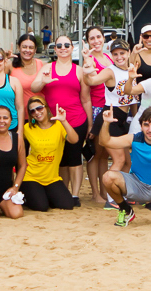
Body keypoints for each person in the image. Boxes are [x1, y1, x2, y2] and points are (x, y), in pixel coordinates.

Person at [31, 35, 92, 206]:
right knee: (61, 159)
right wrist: (43, 82)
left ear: (72, 48)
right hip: (53, 122)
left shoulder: (79, 70)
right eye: (59, 45)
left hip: (76, 120)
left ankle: (75, 194)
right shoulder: (47, 68)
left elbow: (86, 99)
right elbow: (34, 87)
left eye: (66, 45)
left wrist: (90, 124)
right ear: (55, 49)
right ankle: (63, 191)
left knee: (74, 158)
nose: (63, 48)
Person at [81, 39, 135, 206]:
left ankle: (121, 194)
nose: (119, 57)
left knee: (127, 162)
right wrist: (87, 65)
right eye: (115, 54)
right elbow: (92, 81)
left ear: (128, 53)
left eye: (122, 53)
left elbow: (132, 99)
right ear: (111, 56)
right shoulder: (110, 71)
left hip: (122, 120)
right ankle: (112, 199)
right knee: (118, 160)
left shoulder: (131, 69)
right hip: (110, 118)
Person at [22, 96, 80, 211]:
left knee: (67, 205)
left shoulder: (58, 125)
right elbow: (17, 145)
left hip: (52, 177)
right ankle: (28, 195)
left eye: (39, 108)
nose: (36, 112)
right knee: (41, 207)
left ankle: (40, 195)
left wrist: (64, 121)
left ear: (46, 107)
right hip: (31, 176)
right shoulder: (27, 128)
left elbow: (74, 140)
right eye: (32, 111)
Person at [80, 25, 115, 203]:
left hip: (110, 109)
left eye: (98, 37)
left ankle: (103, 191)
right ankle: (95, 193)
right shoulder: (90, 61)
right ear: (87, 42)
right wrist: (90, 123)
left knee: (104, 155)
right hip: (97, 110)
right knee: (95, 155)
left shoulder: (108, 57)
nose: (96, 41)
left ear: (103, 38)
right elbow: (85, 96)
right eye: (92, 38)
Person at [0, 107, 26, 219]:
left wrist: (15, 187)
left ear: (11, 120)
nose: (2, 121)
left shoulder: (17, 138)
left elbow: (22, 165)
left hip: (6, 190)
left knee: (16, 214)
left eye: (5, 118)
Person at [9, 33, 45, 100]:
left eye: (31, 48)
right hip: (18, 106)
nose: (27, 50)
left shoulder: (42, 65)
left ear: (35, 49)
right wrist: (3, 58)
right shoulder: (10, 66)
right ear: (18, 47)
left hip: (39, 106)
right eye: (24, 47)